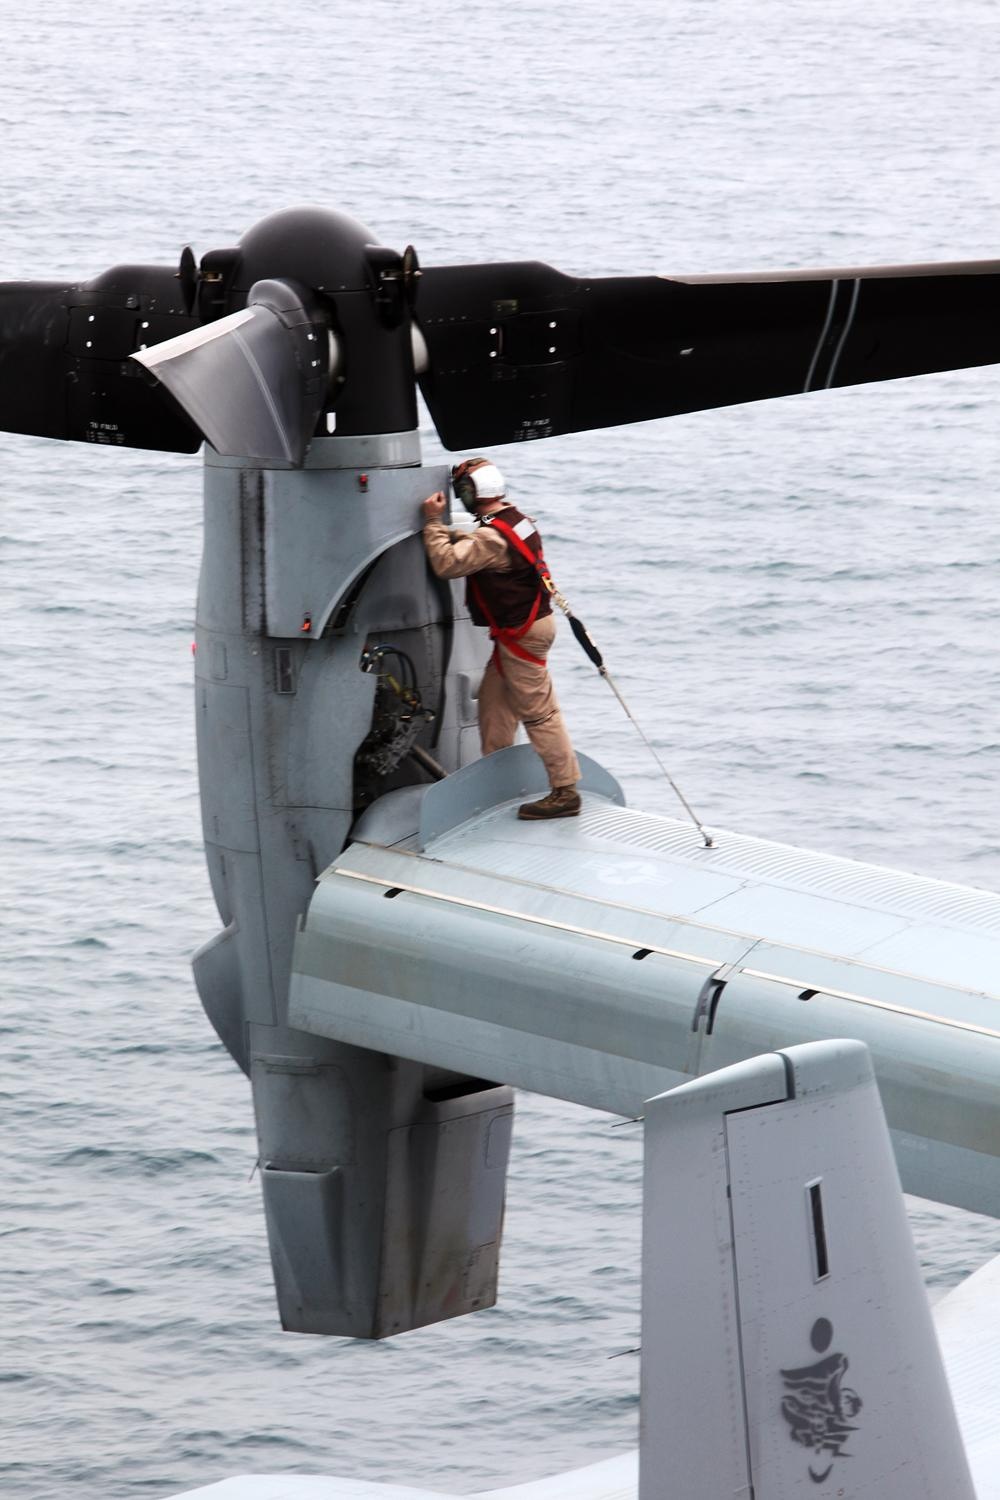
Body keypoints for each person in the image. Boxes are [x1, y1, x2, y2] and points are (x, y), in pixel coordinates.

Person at [421, 457, 582, 820]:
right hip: (524, 630)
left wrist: (433, 523)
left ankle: (565, 790)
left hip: (520, 634)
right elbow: (488, 541)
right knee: (494, 706)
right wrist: (460, 533)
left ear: (472, 492)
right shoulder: (514, 520)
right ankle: (495, 779)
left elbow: (447, 563)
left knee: (539, 714)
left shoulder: (492, 536)